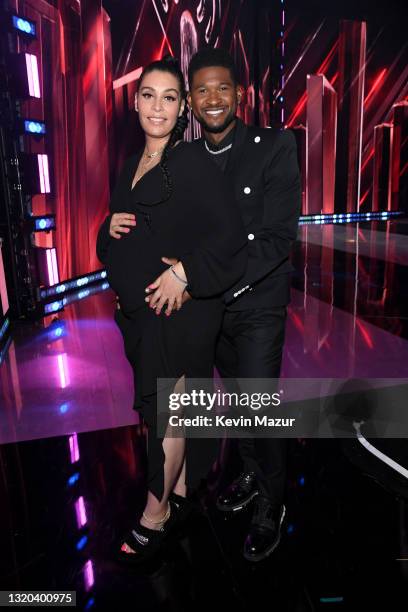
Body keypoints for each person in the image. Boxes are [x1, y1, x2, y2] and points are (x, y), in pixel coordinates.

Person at [148, 48, 301, 563]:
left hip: (256, 303)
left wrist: (200, 277)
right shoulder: (183, 156)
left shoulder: (274, 145)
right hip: (209, 311)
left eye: (222, 88)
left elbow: (276, 238)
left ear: (240, 94)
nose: (212, 98)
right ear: (190, 101)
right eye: (201, 90)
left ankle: (272, 504)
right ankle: (252, 474)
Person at [96, 55, 247, 563]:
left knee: (168, 416)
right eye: (148, 96)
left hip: (179, 312)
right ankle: (179, 497)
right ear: (135, 102)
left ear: (183, 107)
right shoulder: (130, 163)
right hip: (141, 317)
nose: (157, 107)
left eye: (168, 97)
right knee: (171, 413)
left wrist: (184, 273)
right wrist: (105, 228)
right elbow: (117, 231)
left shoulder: (190, 163)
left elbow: (231, 239)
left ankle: (153, 515)